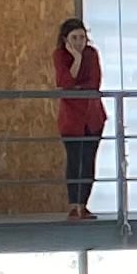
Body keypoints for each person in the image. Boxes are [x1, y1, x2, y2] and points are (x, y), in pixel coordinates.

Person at [56, 15, 108, 218]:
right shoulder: (60, 56)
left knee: (88, 160)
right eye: (75, 38)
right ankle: (73, 205)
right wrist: (76, 59)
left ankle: (83, 205)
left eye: (82, 37)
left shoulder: (92, 54)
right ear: (65, 40)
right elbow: (65, 83)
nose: (79, 42)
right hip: (71, 119)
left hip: (92, 117)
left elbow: (94, 84)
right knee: (74, 159)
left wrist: (77, 86)